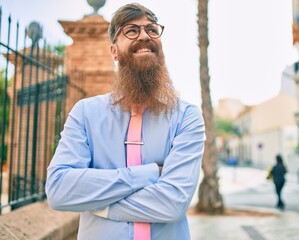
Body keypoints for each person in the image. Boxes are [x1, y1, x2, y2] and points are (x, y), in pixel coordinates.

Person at [45, 3, 205, 240]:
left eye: (152, 29)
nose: (144, 36)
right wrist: (149, 174)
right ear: (114, 51)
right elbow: (59, 190)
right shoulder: (85, 113)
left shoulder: (187, 115)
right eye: (131, 30)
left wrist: (99, 204)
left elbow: (173, 203)